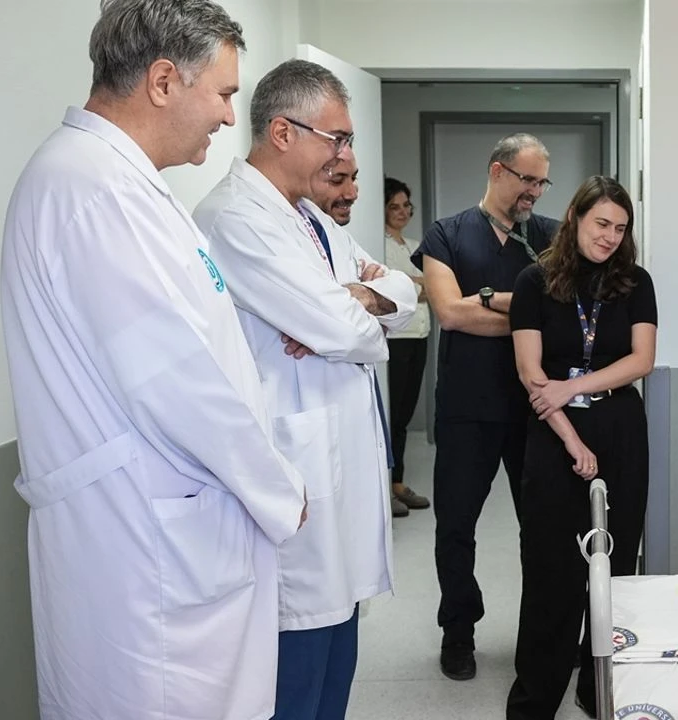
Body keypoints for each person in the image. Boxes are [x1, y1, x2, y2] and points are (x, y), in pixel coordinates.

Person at [0, 1, 309, 717]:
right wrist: (277, 487)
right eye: (226, 93)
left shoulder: (118, 182)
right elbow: (174, 378)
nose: (233, 117)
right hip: (144, 554)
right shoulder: (93, 189)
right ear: (164, 81)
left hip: (162, 533)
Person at [194, 60, 417, 719]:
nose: (346, 154)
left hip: (340, 475)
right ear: (284, 133)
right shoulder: (235, 217)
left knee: (338, 654)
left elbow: (400, 295)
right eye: (338, 138)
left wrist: (363, 297)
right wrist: (346, 314)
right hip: (296, 477)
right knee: (297, 673)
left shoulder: (313, 221)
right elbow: (346, 330)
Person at [506, 177, 657, 720]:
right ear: (574, 217)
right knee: (551, 573)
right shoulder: (533, 281)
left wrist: (573, 388)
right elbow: (530, 372)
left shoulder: (635, 282)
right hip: (552, 435)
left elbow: (640, 360)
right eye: (601, 224)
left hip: (619, 429)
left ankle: (601, 696)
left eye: (620, 228)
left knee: (613, 569)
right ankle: (533, 704)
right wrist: (570, 436)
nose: (610, 236)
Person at [413, 133, 560, 680]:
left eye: (543, 182)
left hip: (537, 410)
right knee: (455, 525)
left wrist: (490, 302)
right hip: (466, 409)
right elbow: (450, 314)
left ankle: (542, 637)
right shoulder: (446, 235)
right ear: (497, 171)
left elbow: (565, 310)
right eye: (528, 179)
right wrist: (528, 317)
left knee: (543, 529)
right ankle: (458, 633)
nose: (536, 192)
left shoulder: (550, 237)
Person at [384, 176, 433, 515]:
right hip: (395, 340)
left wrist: (410, 286)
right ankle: (386, 486)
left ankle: (397, 482)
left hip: (419, 337)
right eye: (394, 207)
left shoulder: (414, 245)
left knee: (403, 415)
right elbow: (388, 292)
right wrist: (416, 286)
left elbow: (436, 289)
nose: (402, 212)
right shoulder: (378, 243)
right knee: (390, 415)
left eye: (406, 206)